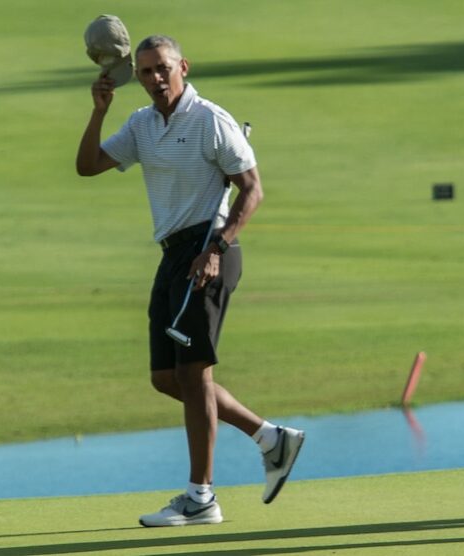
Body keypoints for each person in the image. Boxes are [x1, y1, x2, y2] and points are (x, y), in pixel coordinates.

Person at [76, 34, 305, 527]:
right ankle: (270, 438)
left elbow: (252, 190)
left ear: (184, 66)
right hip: (173, 256)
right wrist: (98, 111)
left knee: (194, 374)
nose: (155, 79)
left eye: (162, 68)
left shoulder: (210, 120)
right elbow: (88, 166)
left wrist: (216, 251)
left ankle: (201, 498)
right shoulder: (140, 125)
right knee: (166, 378)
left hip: (210, 252)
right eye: (145, 72)